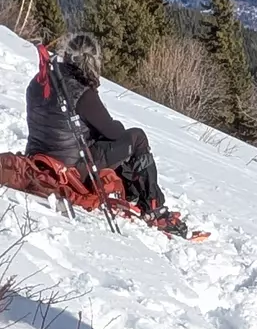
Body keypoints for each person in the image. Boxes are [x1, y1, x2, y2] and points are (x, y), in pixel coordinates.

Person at [25, 33, 173, 223]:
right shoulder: (80, 91)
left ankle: (131, 191)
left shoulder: (40, 81)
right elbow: (113, 132)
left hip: (38, 158)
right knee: (137, 138)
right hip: (72, 168)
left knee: (101, 140)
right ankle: (153, 205)